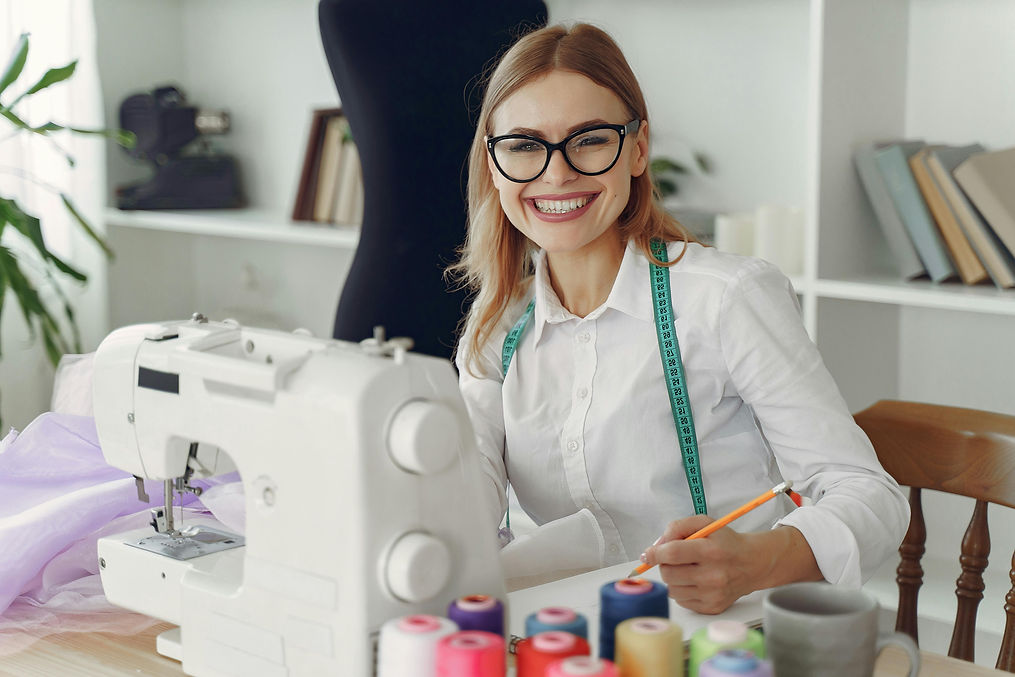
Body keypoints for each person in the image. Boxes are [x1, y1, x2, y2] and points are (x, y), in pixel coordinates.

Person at [448, 22, 910, 614]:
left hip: (725, 634)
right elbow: (467, 505)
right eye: (523, 145)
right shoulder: (495, 331)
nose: (556, 173)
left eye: (589, 139)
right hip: (571, 633)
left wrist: (754, 562)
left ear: (638, 150)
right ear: (493, 164)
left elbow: (870, 497)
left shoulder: (725, 299)